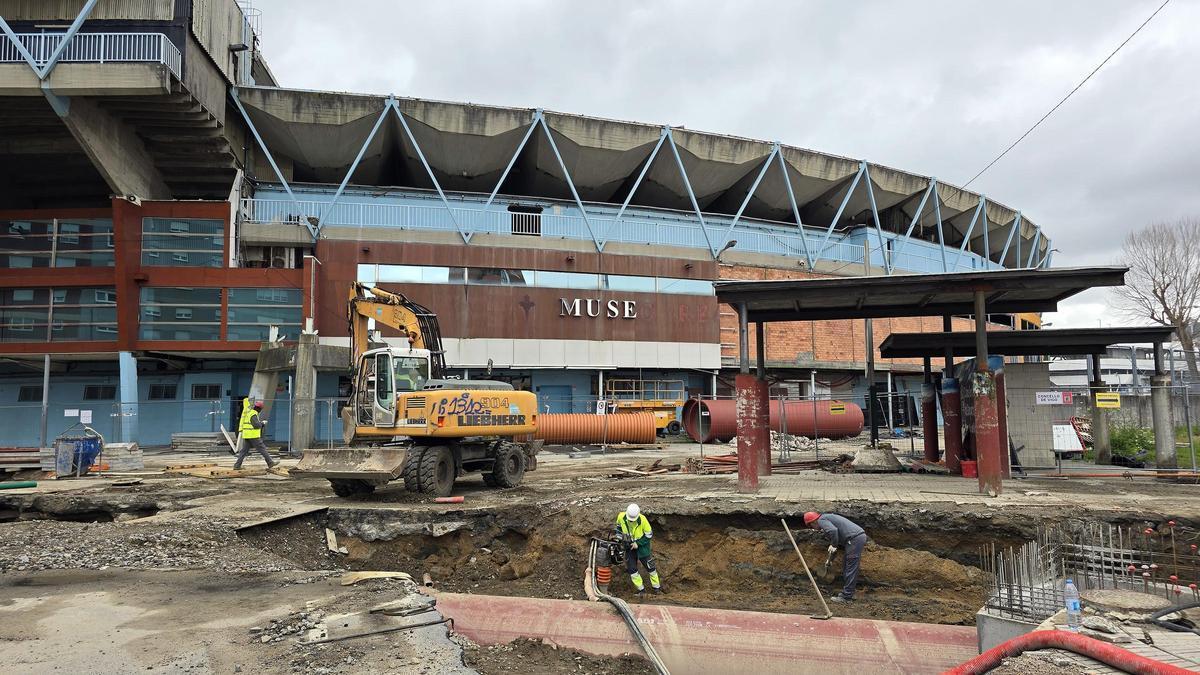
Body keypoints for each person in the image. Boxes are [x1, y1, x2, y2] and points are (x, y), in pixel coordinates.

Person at [804, 511, 866, 603]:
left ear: (813, 522)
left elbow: (833, 531)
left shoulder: (821, 520)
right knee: (847, 566)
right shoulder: (826, 518)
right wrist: (830, 560)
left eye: (811, 526)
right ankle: (848, 593)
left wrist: (833, 544)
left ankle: (847, 597)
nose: (813, 529)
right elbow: (835, 543)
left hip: (854, 539)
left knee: (850, 568)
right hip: (853, 539)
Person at [616, 503, 662, 595]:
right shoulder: (621, 516)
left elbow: (649, 535)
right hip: (629, 547)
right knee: (632, 569)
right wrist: (620, 538)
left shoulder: (643, 520)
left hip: (642, 547)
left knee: (650, 567)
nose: (631, 520)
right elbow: (618, 528)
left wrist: (638, 543)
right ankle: (641, 590)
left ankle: (657, 588)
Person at [235, 399, 277, 470]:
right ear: (259, 408)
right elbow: (256, 425)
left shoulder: (249, 413)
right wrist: (262, 423)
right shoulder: (253, 414)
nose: (260, 411)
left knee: (243, 451)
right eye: (261, 409)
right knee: (262, 448)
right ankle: (270, 463)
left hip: (247, 435)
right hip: (253, 435)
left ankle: (237, 466)